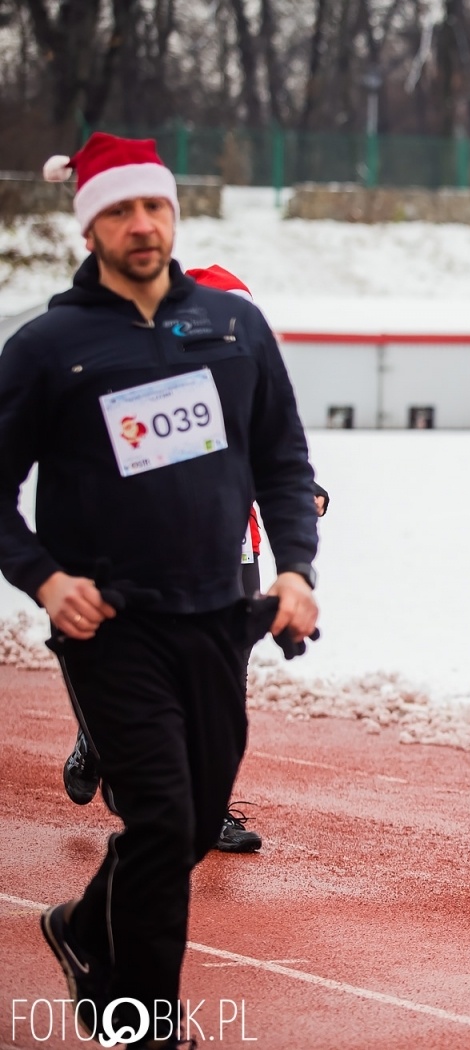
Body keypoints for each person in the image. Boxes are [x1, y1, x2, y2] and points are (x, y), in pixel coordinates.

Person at [0, 134, 320, 1048]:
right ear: (89, 225)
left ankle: (79, 929)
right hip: (110, 624)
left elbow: (281, 458)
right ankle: (143, 1026)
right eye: (119, 210)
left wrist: (295, 568)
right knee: (166, 816)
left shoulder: (230, 327)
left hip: (220, 618)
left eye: (154, 206)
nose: (141, 224)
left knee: (182, 827)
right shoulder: (50, 346)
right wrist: (46, 578)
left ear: (173, 214)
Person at [59, 264, 331, 858]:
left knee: (221, 685)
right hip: (149, 563)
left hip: (234, 557)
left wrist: (306, 497)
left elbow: (275, 458)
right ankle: (104, 744)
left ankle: (207, 811)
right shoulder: (158, 388)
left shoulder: (248, 385)